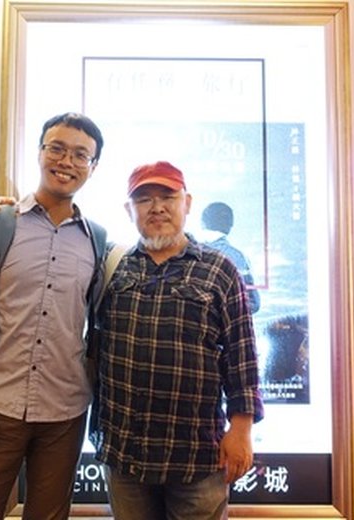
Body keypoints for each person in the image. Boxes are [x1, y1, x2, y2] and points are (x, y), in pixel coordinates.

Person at [0, 112, 106, 520]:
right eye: (57, 148)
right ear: (39, 152)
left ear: (93, 166)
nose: (66, 161)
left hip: (65, 413)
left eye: (80, 155)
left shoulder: (96, 241)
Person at [90, 161, 264, 520]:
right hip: (125, 453)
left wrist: (241, 429)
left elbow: (242, 354)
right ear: (128, 210)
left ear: (187, 203)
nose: (157, 208)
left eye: (167, 197)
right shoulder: (111, 265)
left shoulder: (219, 269)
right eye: (144, 199)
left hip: (196, 456)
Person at [201, 201, 261, 313]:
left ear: (202, 223)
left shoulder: (184, 253)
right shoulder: (238, 258)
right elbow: (253, 303)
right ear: (230, 225)